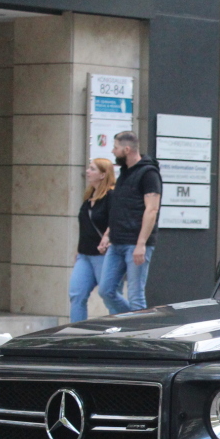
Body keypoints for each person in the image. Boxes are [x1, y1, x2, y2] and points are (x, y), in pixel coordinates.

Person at [98, 131, 161, 313]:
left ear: (127, 149)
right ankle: (130, 322)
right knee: (106, 290)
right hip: (117, 241)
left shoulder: (149, 173)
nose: (112, 151)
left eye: (115, 148)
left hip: (135, 242)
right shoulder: (125, 173)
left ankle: (139, 329)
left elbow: (151, 210)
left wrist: (141, 244)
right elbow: (119, 208)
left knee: (135, 294)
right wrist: (108, 234)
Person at [68, 158, 115, 323]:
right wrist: (77, 250)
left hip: (102, 255)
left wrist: (107, 236)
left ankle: (125, 321)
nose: (88, 171)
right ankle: (76, 334)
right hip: (84, 254)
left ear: (103, 175)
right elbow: (85, 226)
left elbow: (116, 220)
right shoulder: (89, 197)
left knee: (109, 295)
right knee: (76, 294)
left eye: (92, 169)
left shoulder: (111, 195)